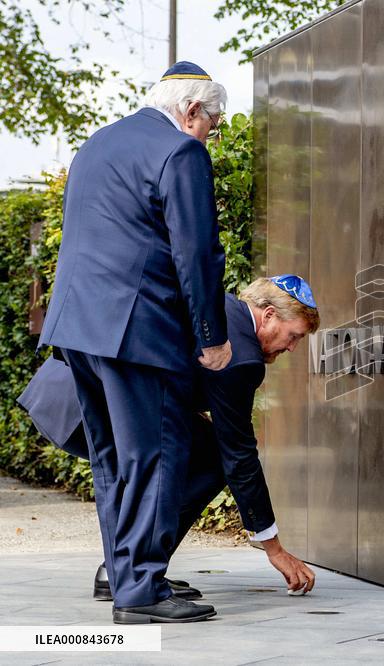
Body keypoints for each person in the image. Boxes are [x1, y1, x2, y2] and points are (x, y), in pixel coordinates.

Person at [38, 61, 232, 624]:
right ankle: (141, 591)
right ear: (192, 110)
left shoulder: (98, 144)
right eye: (212, 126)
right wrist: (212, 338)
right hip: (135, 328)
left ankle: (126, 577)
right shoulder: (180, 152)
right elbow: (196, 253)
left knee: (111, 459)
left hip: (77, 326)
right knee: (153, 453)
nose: (210, 138)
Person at [21, 276, 320, 602]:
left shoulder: (215, 306)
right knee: (208, 458)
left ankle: (132, 572)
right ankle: (132, 572)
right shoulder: (242, 354)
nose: (291, 348)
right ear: (268, 315)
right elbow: (238, 454)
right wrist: (273, 548)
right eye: (294, 336)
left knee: (200, 450)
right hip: (88, 405)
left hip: (64, 394)